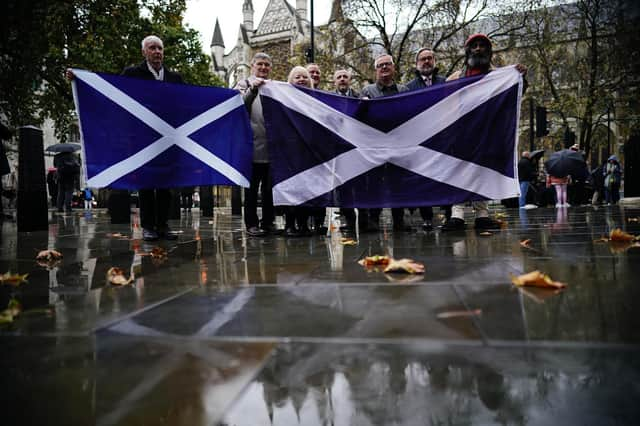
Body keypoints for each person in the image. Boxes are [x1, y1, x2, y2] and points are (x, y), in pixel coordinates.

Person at [67, 35, 183, 240]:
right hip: (143, 138)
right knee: (147, 184)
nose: (157, 52)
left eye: (160, 48)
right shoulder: (132, 74)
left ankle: (163, 225)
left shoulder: (175, 78)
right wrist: (80, 79)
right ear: (144, 52)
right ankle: (148, 227)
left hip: (168, 138)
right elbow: (111, 92)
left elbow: (189, 102)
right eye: (152, 48)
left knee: (165, 184)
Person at [441, 33, 528, 231]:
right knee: (459, 172)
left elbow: (515, 96)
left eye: (482, 45)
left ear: (488, 51)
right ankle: (457, 215)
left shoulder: (500, 76)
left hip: (487, 134)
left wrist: (521, 77)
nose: (478, 49)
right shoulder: (454, 78)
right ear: (468, 51)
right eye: (474, 46)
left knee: (482, 172)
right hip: (461, 134)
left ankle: (482, 214)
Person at [361, 54, 411, 232]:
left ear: (393, 68)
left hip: (399, 144)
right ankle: (373, 219)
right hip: (376, 146)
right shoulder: (367, 91)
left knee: (398, 183)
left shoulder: (404, 90)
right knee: (375, 183)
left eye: (387, 64)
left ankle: (399, 220)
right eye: (380, 65)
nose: (384, 68)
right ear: (376, 70)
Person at [406, 48, 451, 229]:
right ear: (417, 64)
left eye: (429, 58)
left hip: (443, 139)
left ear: (434, 61)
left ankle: (449, 214)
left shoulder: (445, 82)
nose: (426, 62)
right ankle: (426, 217)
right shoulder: (409, 87)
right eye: (422, 59)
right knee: (423, 178)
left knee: (446, 177)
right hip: (421, 141)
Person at [235, 53, 276, 237]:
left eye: (267, 65)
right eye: (260, 64)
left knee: (269, 190)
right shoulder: (243, 85)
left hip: (272, 148)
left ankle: (268, 222)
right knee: (251, 189)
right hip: (251, 147)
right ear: (252, 66)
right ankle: (251, 223)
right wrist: (252, 89)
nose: (263, 68)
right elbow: (239, 106)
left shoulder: (275, 87)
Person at [332, 69, 363, 233]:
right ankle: (349, 220)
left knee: (360, 186)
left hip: (358, 149)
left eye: (345, 77)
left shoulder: (360, 98)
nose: (342, 79)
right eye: (339, 77)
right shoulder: (327, 99)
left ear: (350, 80)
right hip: (339, 150)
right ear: (334, 81)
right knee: (343, 187)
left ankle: (363, 220)